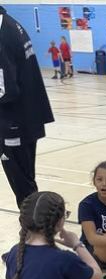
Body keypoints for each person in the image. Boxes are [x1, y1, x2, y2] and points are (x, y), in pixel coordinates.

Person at [0, 6, 54, 208]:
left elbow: (7, 89)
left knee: (22, 186)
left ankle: (35, 224)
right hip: (27, 118)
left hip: (14, 123)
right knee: (26, 182)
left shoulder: (3, 32)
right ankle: (38, 223)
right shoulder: (12, 24)